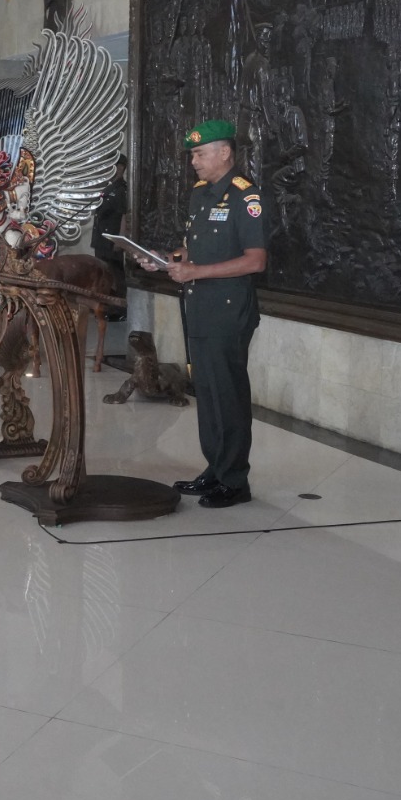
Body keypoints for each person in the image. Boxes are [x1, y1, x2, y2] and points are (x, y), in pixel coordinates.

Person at [137, 120, 266, 509]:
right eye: (192, 154)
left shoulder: (246, 197)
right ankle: (216, 469)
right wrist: (166, 259)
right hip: (200, 309)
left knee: (227, 396)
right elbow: (193, 249)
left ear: (224, 152)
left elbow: (255, 261)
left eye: (199, 153)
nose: (193, 161)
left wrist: (196, 272)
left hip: (228, 312)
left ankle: (235, 481)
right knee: (208, 395)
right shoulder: (200, 194)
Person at [90, 154, 129, 316]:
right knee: (103, 274)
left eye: (118, 166)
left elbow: (125, 215)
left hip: (113, 239)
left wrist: (121, 240)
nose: (114, 170)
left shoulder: (122, 189)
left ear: (122, 169)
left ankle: (119, 309)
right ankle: (104, 306)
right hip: (100, 238)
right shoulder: (107, 187)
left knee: (115, 275)